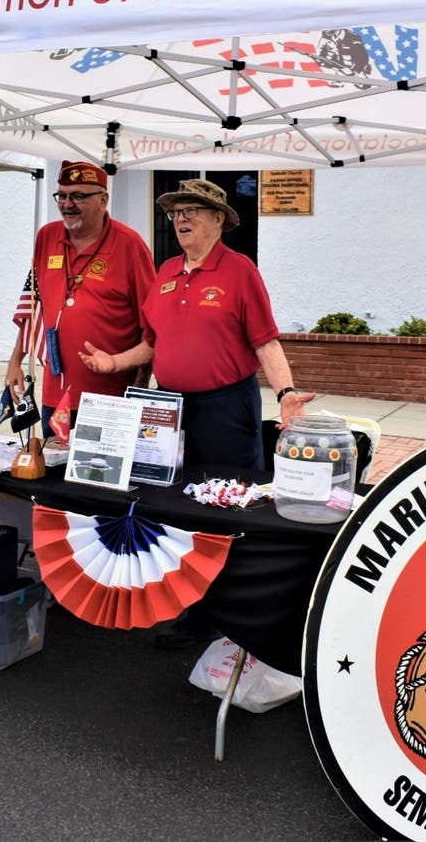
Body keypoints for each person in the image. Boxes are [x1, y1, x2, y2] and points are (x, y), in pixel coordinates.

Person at [78, 178, 316, 648]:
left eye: (192, 211)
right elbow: (152, 343)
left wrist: (286, 391)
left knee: (227, 508)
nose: (180, 219)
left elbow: (264, 340)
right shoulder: (166, 271)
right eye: (176, 212)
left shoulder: (240, 270)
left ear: (217, 221)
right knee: (177, 507)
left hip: (226, 408)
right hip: (170, 410)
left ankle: (231, 617)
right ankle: (190, 607)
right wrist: (113, 363)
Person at [5, 160, 156, 438]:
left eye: (78, 196)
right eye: (61, 195)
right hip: (55, 394)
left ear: (103, 200)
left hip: (109, 398)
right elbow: (36, 306)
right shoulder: (46, 237)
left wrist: (140, 384)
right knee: (54, 476)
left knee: (98, 476)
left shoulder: (130, 246)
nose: (66, 204)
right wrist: (16, 359)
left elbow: (152, 327)